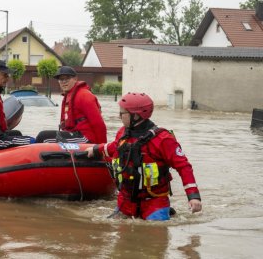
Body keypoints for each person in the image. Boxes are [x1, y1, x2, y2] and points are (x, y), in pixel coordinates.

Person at [85, 92, 202, 221]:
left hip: (154, 202)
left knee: (155, 235)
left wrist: (193, 197)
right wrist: (96, 149)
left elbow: (183, 166)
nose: (119, 116)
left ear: (136, 115)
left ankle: (167, 211)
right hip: (126, 201)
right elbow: (115, 146)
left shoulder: (163, 139)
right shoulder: (123, 133)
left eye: (122, 113)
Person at [35, 66, 107, 144]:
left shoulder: (84, 95)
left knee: (44, 137)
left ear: (75, 79)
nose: (63, 82)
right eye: (61, 79)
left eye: (67, 78)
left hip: (86, 137)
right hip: (74, 134)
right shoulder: (67, 96)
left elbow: (99, 124)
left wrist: (102, 148)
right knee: (43, 136)